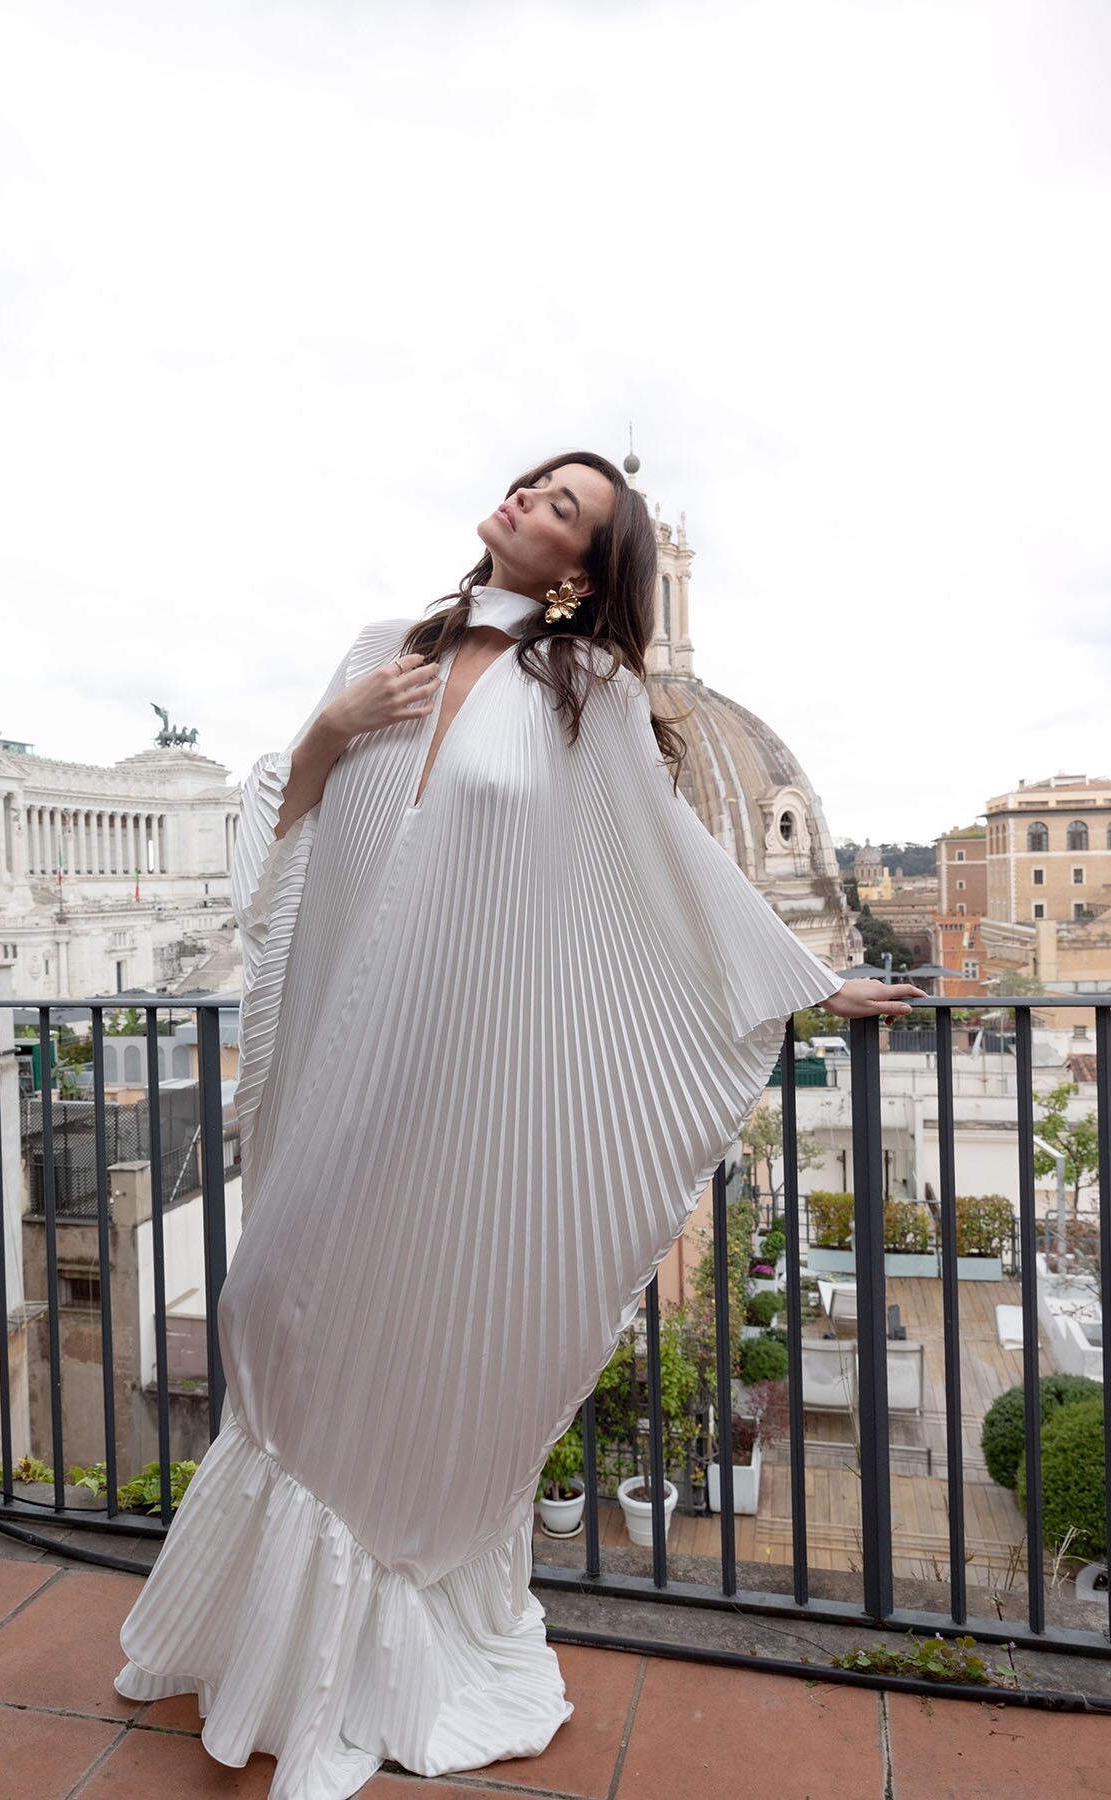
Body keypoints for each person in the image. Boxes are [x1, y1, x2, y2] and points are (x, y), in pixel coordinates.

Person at [115, 450, 924, 1799]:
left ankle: (376, 1649)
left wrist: (808, 980)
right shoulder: (384, 649)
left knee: (406, 1334)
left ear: (581, 574)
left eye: (566, 509)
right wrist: (333, 728)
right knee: (275, 1310)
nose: (531, 501)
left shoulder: (586, 691)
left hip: (458, 1084)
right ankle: (268, 1649)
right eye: (536, 482)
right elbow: (287, 832)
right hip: (337, 1062)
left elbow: (667, 865)